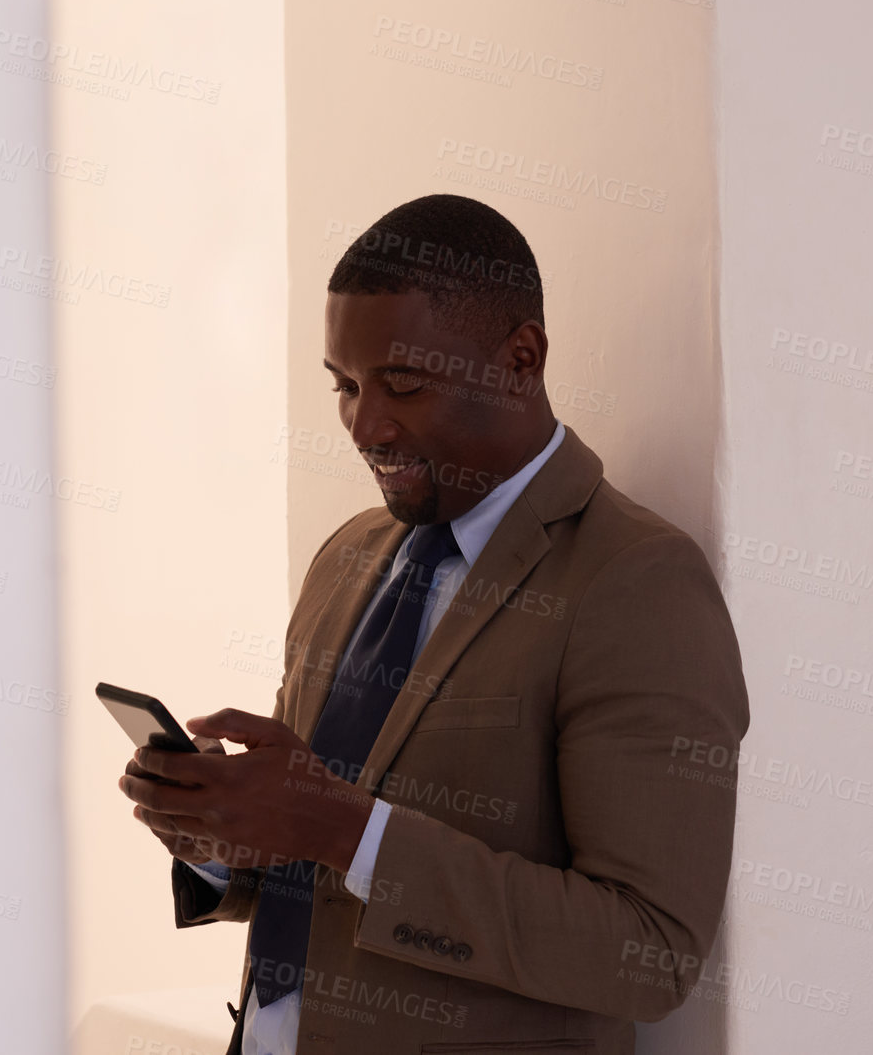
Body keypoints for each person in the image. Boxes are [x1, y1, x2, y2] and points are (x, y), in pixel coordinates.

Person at [119, 194, 749, 1055]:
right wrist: (220, 840)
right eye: (343, 385)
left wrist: (340, 826)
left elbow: (646, 954)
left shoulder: (635, 580)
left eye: (404, 385)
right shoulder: (349, 554)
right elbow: (319, 870)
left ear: (519, 359)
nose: (364, 425)